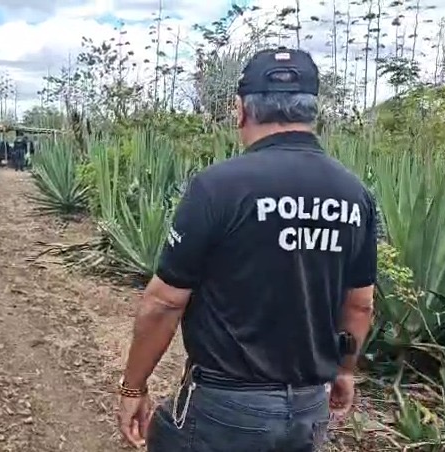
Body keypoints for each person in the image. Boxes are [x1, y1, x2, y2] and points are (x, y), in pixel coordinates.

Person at [116, 47, 376, 451]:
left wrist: (133, 388)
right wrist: (344, 370)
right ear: (312, 111)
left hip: (226, 407)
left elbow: (164, 303)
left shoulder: (218, 186)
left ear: (240, 109)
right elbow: (359, 306)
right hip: (309, 407)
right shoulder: (354, 194)